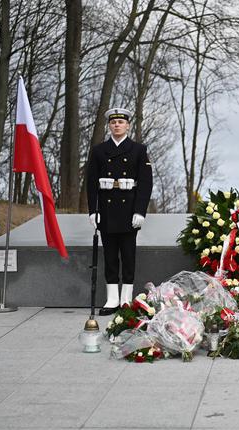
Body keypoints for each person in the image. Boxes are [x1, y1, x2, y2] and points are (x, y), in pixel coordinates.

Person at [87, 107, 153, 315]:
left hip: (129, 209)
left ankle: (126, 300)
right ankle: (112, 299)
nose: (117, 125)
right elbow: (91, 184)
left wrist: (140, 211)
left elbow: (145, 183)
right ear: (109, 126)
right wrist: (93, 210)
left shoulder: (138, 150)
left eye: (121, 122)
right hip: (106, 209)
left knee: (128, 255)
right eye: (113, 122)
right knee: (110, 256)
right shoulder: (98, 151)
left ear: (128, 125)